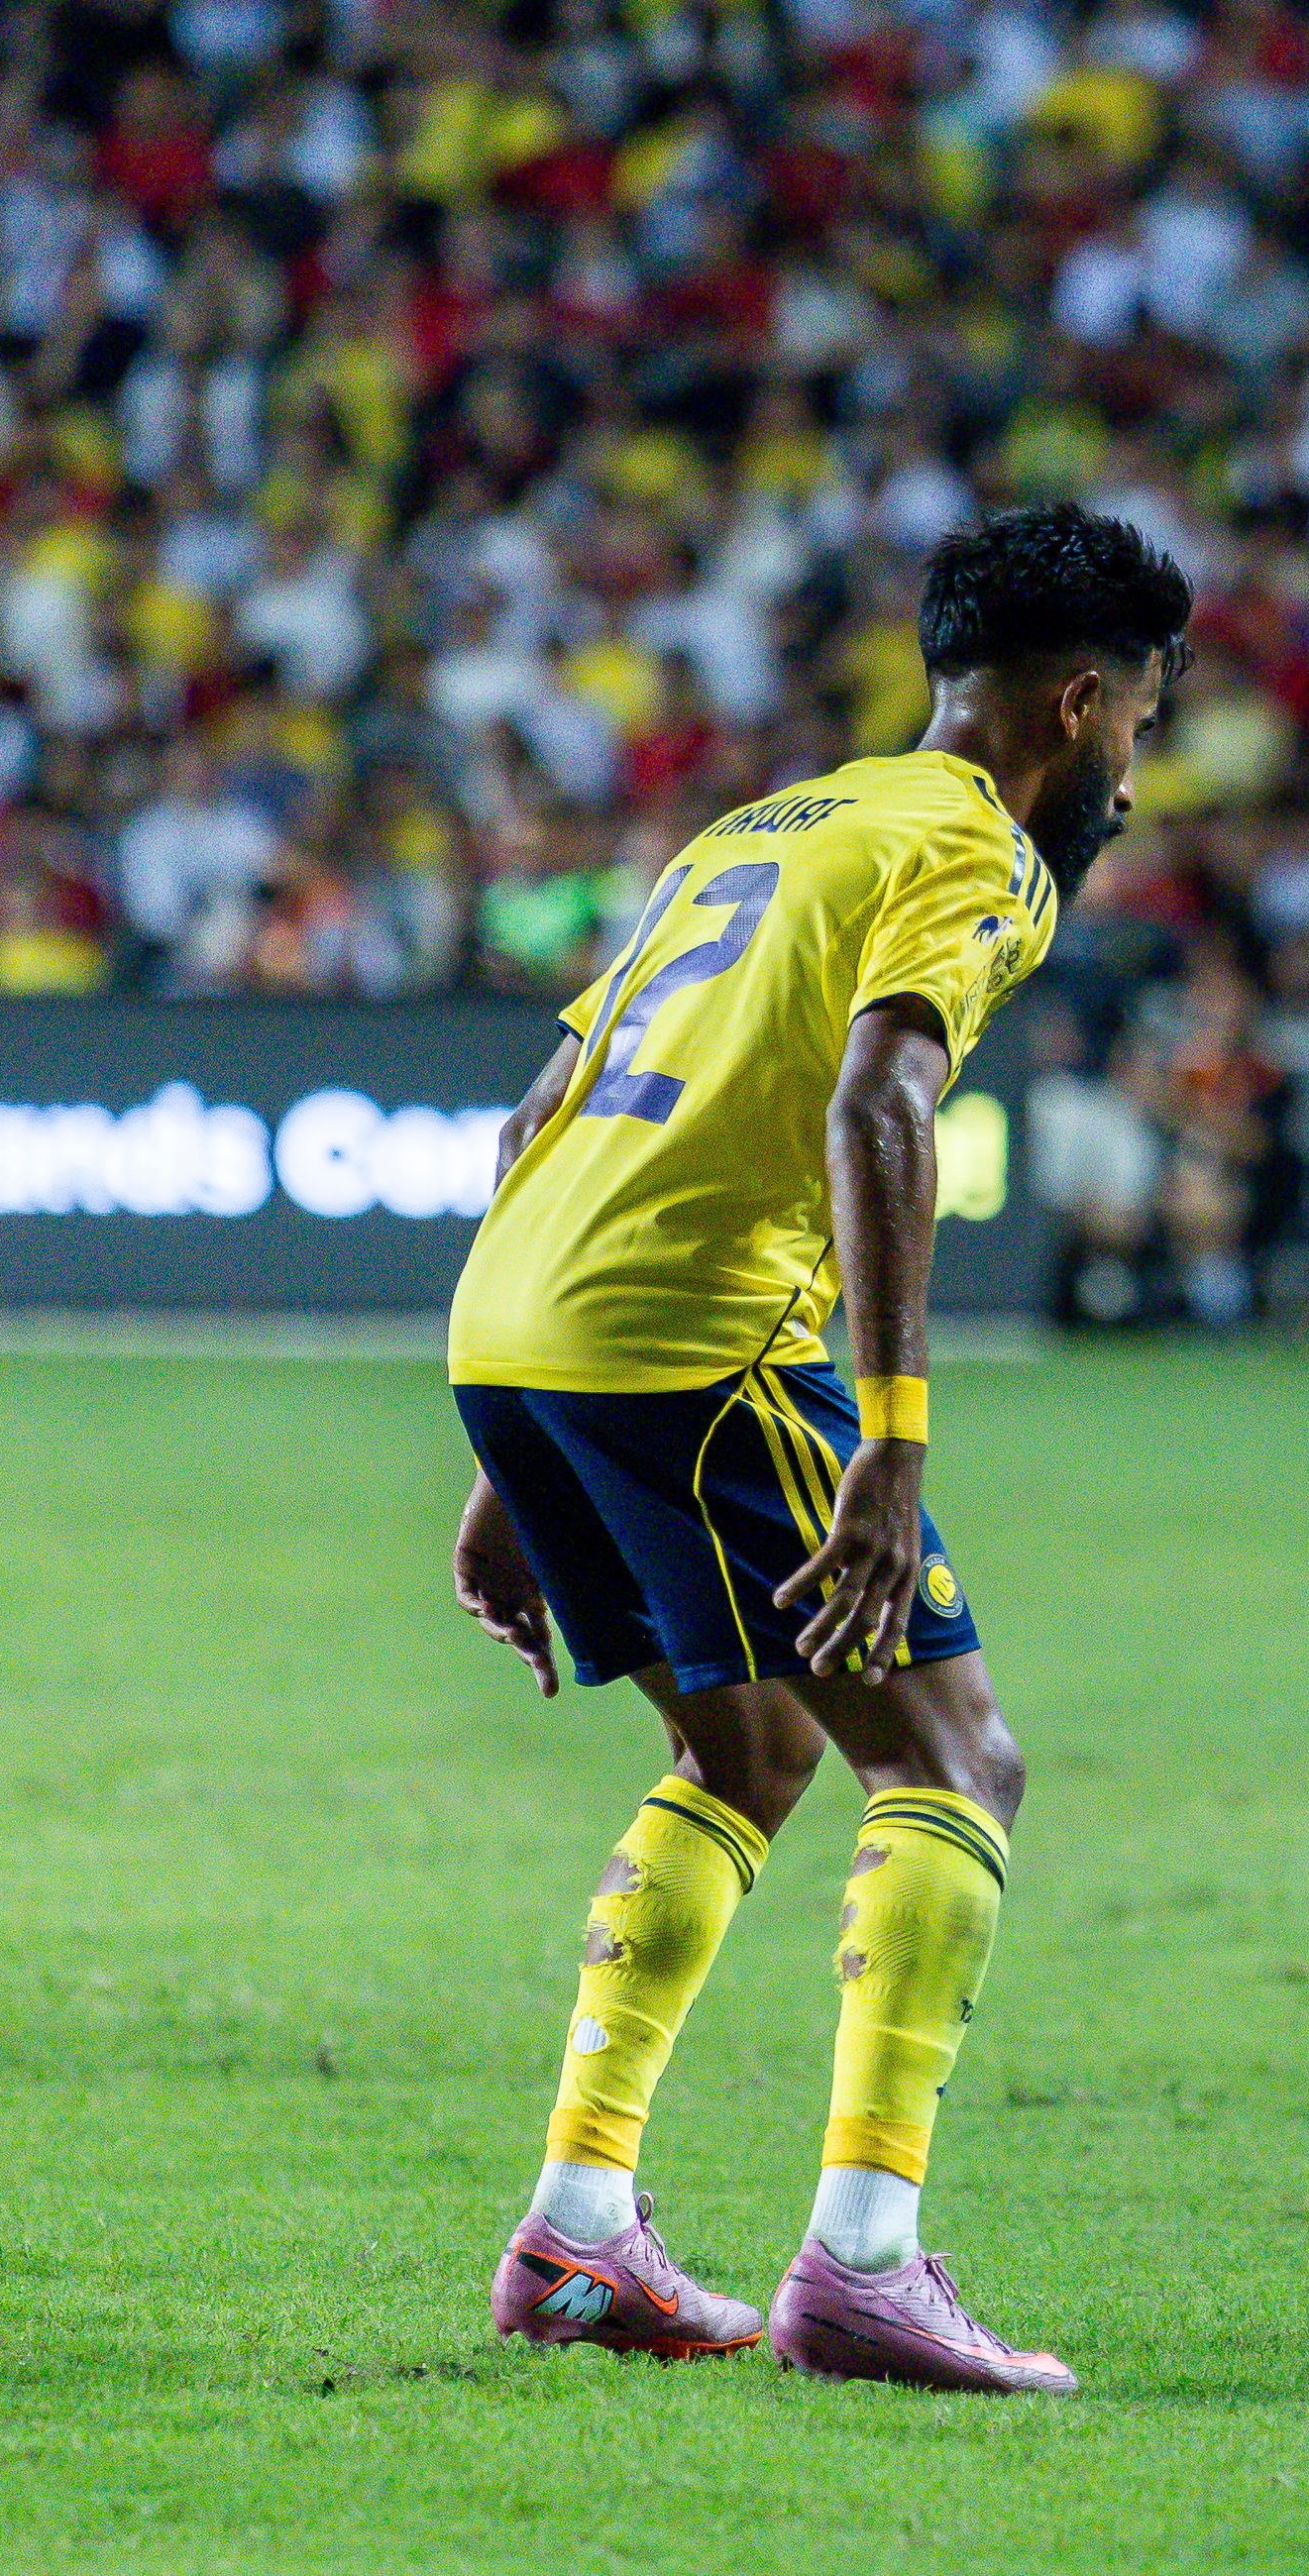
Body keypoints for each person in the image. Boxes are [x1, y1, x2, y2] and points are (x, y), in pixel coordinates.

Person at [439, 504, 1188, 2395]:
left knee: (750, 1745)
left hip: (521, 1316)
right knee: (955, 1754)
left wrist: (515, 1454)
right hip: (697, 1333)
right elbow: (883, 1101)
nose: (1132, 777)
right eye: (1138, 725)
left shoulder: (763, 825)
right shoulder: (977, 844)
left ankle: (578, 2231)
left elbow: (545, 1105)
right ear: (1077, 704)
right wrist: (896, 1436)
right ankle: (864, 2263)